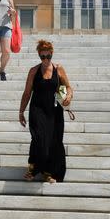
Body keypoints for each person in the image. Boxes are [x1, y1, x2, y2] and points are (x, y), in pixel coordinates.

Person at [18, 39, 73, 184]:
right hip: (37, 110)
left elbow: (68, 87)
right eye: (42, 57)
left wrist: (68, 97)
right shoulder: (34, 71)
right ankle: (33, 169)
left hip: (54, 111)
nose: (46, 59)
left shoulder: (58, 69)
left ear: (52, 54)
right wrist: (21, 112)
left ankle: (49, 172)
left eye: (48, 56)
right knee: (39, 138)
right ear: (39, 56)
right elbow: (26, 93)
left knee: (54, 141)